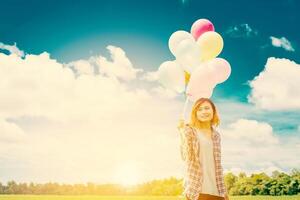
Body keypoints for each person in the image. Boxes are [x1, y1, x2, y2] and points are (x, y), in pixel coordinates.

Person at [178, 97, 229, 200]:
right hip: (197, 190)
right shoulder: (190, 131)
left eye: (207, 108)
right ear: (195, 113)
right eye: (199, 109)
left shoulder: (216, 135)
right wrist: (181, 133)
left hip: (217, 191)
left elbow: (217, 165)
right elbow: (185, 156)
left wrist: (225, 191)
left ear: (213, 111)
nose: (204, 112)